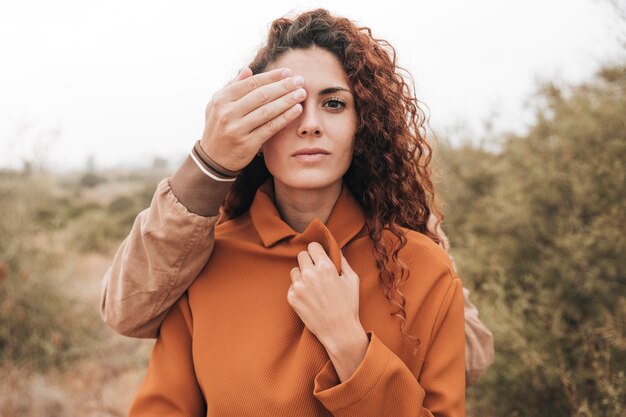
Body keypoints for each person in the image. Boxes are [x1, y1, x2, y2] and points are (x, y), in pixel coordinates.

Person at [101, 9, 492, 416]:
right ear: (253, 125)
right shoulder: (207, 262)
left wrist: (349, 343)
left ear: (364, 125)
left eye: (335, 103)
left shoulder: (422, 266)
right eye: (287, 104)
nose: (310, 124)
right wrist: (209, 160)